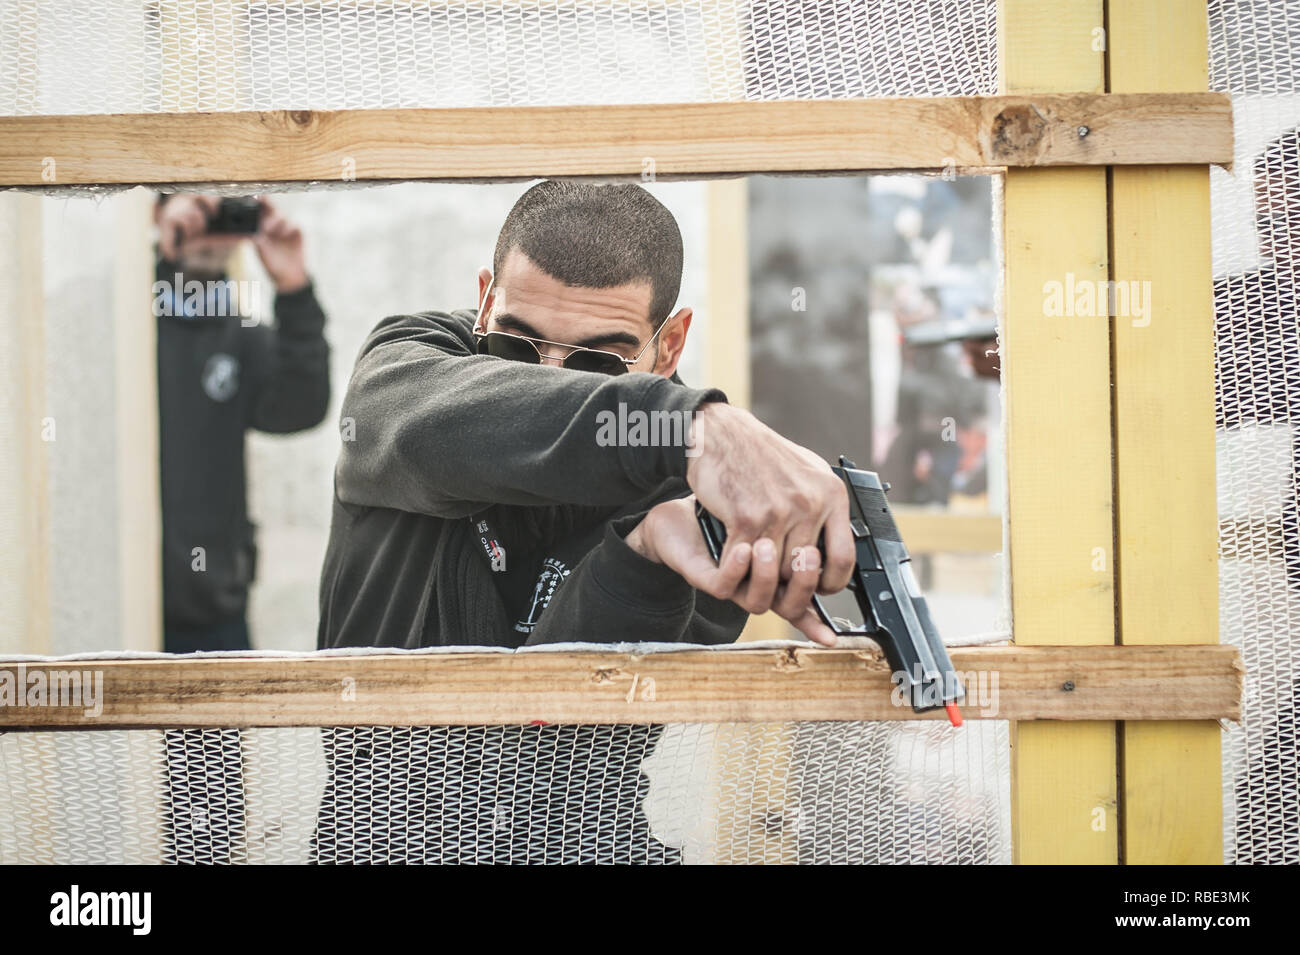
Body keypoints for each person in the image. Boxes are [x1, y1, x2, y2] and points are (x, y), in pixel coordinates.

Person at [311, 180, 855, 863]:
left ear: (672, 341)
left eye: (598, 361)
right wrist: (677, 423)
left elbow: (562, 746)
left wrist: (646, 552)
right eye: (518, 345)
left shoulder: (696, 491)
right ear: (485, 297)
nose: (554, 377)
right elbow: (421, 433)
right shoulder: (408, 367)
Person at [153, 193, 331, 864]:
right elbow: (137, 329)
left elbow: (301, 404)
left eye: (223, 210)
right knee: (123, 796)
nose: (211, 227)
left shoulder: (237, 332)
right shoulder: (119, 321)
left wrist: (293, 287)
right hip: (116, 604)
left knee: (211, 819)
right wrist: (164, 264)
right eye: (193, 207)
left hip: (211, 612)